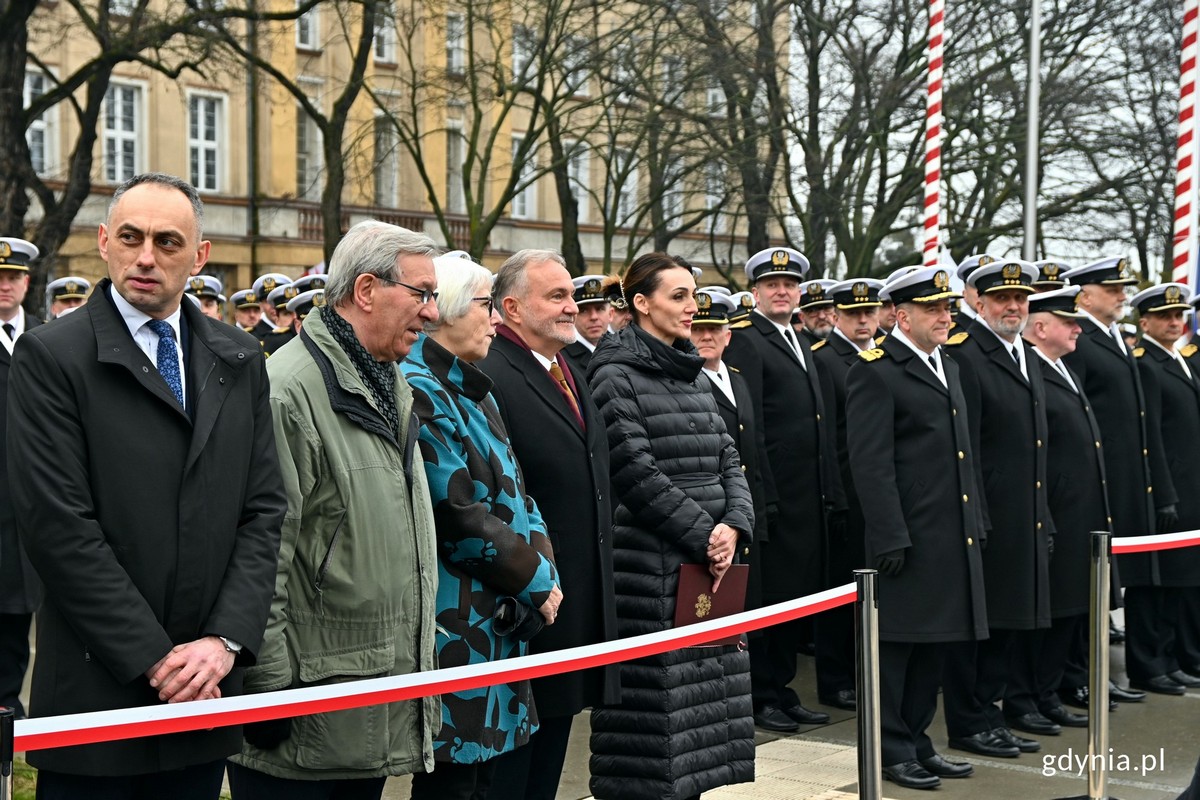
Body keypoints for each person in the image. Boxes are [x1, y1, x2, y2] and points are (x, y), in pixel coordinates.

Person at [7, 173, 287, 798]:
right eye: (130, 237)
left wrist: (222, 641)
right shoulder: (53, 358)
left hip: (205, 691)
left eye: (167, 241)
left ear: (199, 256)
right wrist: (159, 660)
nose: (145, 257)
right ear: (104, 242)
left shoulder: (238, 359)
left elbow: (264, 509)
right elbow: (59, 528)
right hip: (99, 697)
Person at [227, 220, 441, 799]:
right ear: (367, 290)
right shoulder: (289, 391)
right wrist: (270, 696)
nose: (431, 313)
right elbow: (262, 556)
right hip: (303, 723)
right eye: (421, 294)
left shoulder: (386, 379)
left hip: (359, 707)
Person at [587, 252, 755, 800]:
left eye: (693, 294)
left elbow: (730, 456)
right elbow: (635, 471)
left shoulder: (691, 370)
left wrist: (735, 523)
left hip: (709, 565)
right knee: (652, 736)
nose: (692, 307)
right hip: (651, 570)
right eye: (678, 296)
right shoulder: (614, 374)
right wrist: (705, 536)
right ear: (641, 303)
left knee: (701, 729)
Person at [401, 252, 562, 800]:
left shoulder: (476, 387)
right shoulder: (419, 388)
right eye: (486, 305)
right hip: (460, 621)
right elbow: (458, 514)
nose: (496, 319)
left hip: (503, 614)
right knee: (456, 784)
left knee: (491, 780)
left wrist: (543, 570)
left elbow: (521, 492)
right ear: (444, 311)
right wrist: (538, 582)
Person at [479, 250, 620, 800]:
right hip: (526, 604)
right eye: (557, 296)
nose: (573, 306)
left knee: (550, 750)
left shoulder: (566, 368)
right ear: (511, 308)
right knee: (512, 771)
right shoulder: (492, 374)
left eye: (572, 294)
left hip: (571, 598)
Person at [845, 266, 987, 790]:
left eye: (948, 308)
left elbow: (964, 455)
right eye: (935, 309)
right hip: (906, 538)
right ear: (902, 315)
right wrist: (889, 535)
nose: (946, 316)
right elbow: (871, 464)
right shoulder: (876, 369)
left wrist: (978, 522)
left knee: (935, 647)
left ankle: (918, 740)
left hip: (950, 534)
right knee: (896, 652)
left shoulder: (948, 364)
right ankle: (890, 748)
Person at [942, 258, 1052, 756]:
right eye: (1002, 299)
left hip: (1024, 511)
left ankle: (993, 713)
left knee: (1009, 622)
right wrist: (978, 517)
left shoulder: (1025, 354)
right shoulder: (967, 355)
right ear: (978, 303)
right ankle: (969, 721)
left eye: (1021, 299)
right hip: (986, 515)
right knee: (979, 630)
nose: (1013, 307)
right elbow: (969, 448)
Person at [724, 246, 836, 731]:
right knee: (768, 600)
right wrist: (763, 497)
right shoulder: (750, 340)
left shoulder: (798, 337)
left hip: (806, 495)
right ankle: (761, 693)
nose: (782, 292)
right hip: (774, 496)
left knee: (796, 598)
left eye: (789, 285)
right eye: (772, 285)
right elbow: (755, 427)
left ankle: (782, 687)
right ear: (755, 293)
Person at [1061, 257, 1166, 702]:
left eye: (1123, 288)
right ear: (1084, 294)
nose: (1123, 294)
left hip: (1121, 481)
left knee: (1105, 586)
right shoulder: (1079, 341)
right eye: (1113, 288)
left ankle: (1094, 672)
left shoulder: (1114, 339)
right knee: (1087, 586)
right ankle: (1078, 676)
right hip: (1093, 482)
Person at [1021, 287, 1104, 730]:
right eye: (1068, 322)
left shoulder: (1060, 367)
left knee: (1070, 609)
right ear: (1040, 328)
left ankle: (1048, 692)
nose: (1077, 328)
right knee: (1049, 614)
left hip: (1078, 512)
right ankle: (1031, 695)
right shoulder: (1032, 370)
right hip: (1054, 510)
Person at [810, 278, 886, 711]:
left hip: (873, 492)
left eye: (869, 312)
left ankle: (863, 670)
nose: (863, 320)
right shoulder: (826, 360)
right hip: (843, 491)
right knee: (840, 591)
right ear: (835, 315)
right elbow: (827, 435)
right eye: (854, 313)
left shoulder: (880, 356)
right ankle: (836, 677)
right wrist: (836, 496)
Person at [1131, 283, 1200, 689]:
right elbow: (1152, 433)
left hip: (1191, 486)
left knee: (1184, 580)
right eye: (1165, 317)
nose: (1175, 322)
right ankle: (1150, 661)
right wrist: (1164, 491)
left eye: (1179, 316)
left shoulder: (1181, 360)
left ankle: (1176, 656)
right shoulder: (1147, 363)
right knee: (1156, 581)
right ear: (1145, 322)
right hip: (1170, 488)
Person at [690, 286, 771, 627]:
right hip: (714, 513)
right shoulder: (687, 384)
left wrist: (766, 504)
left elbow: (755, 444)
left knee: (752, 602)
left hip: (748, 505)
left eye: (714, 330)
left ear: (728, 335)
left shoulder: (737, 381)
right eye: (698, 329)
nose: (706, 336)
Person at [0, 237, 41, 721]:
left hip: (37, 494)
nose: (4, 286)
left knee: (35, 602)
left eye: (12, 277)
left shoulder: (46, 342)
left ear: (27, 282)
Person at [561, 274, 612, 370]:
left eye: (600, 309)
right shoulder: (562, 358)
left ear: (611, 314)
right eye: (583, 311)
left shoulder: (627, 348)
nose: (593, 317)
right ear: (572, 316)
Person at [797, 278, 836, 346]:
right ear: (802, 317)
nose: (822, 316)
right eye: (812, 311)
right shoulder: (797, 346)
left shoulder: (851, 340)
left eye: (827, 308)